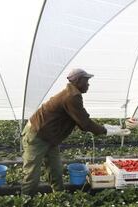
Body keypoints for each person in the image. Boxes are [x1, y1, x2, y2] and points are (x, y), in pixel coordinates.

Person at [21, 68, 131, 196]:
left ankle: (59, 195)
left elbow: (82, 120)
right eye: (86, 81)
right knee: (32, 172)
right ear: (78, 81)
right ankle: (26, 200)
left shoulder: (72, 94)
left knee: (55, 169)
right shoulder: (72, 96)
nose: (88, 84)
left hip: (50, 137)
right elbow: (85, 124)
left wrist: (110, 128)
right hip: (37, 135)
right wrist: (110, 131)